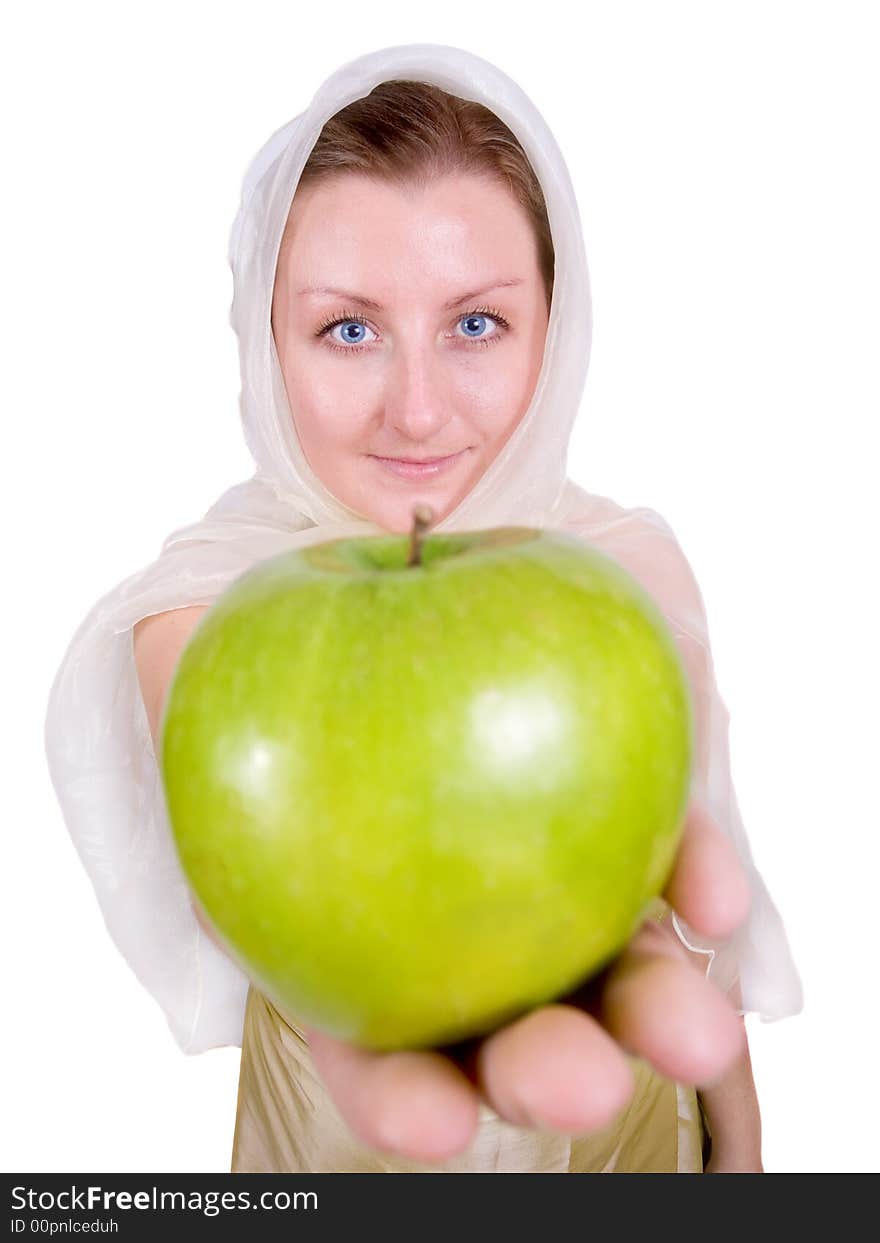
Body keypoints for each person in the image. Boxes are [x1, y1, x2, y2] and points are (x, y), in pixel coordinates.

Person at [44, 44, 802, 1175]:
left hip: (635, 1131)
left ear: (556, 321)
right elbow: (312, 932)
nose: (416, 409)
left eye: (476, 324)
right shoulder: (205, 617)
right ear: (266, 341)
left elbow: (699, 927)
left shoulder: (625, 570)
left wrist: (742, 1158)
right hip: (345, 1154)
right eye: (348, 328)